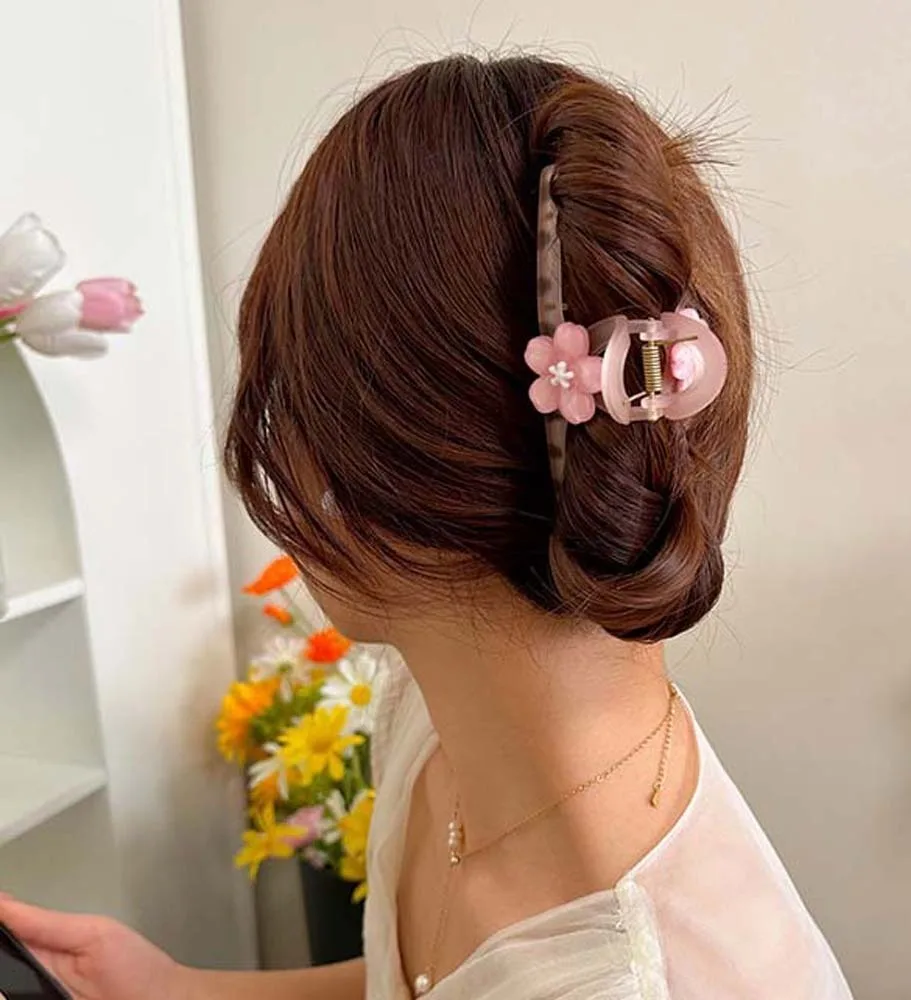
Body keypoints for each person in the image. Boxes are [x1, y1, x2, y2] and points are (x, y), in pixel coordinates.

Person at [0, 55, 855, 999]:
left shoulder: (642, 979)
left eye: (293, 403)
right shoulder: (442, 710)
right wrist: (174, 991)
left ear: (387, 467)